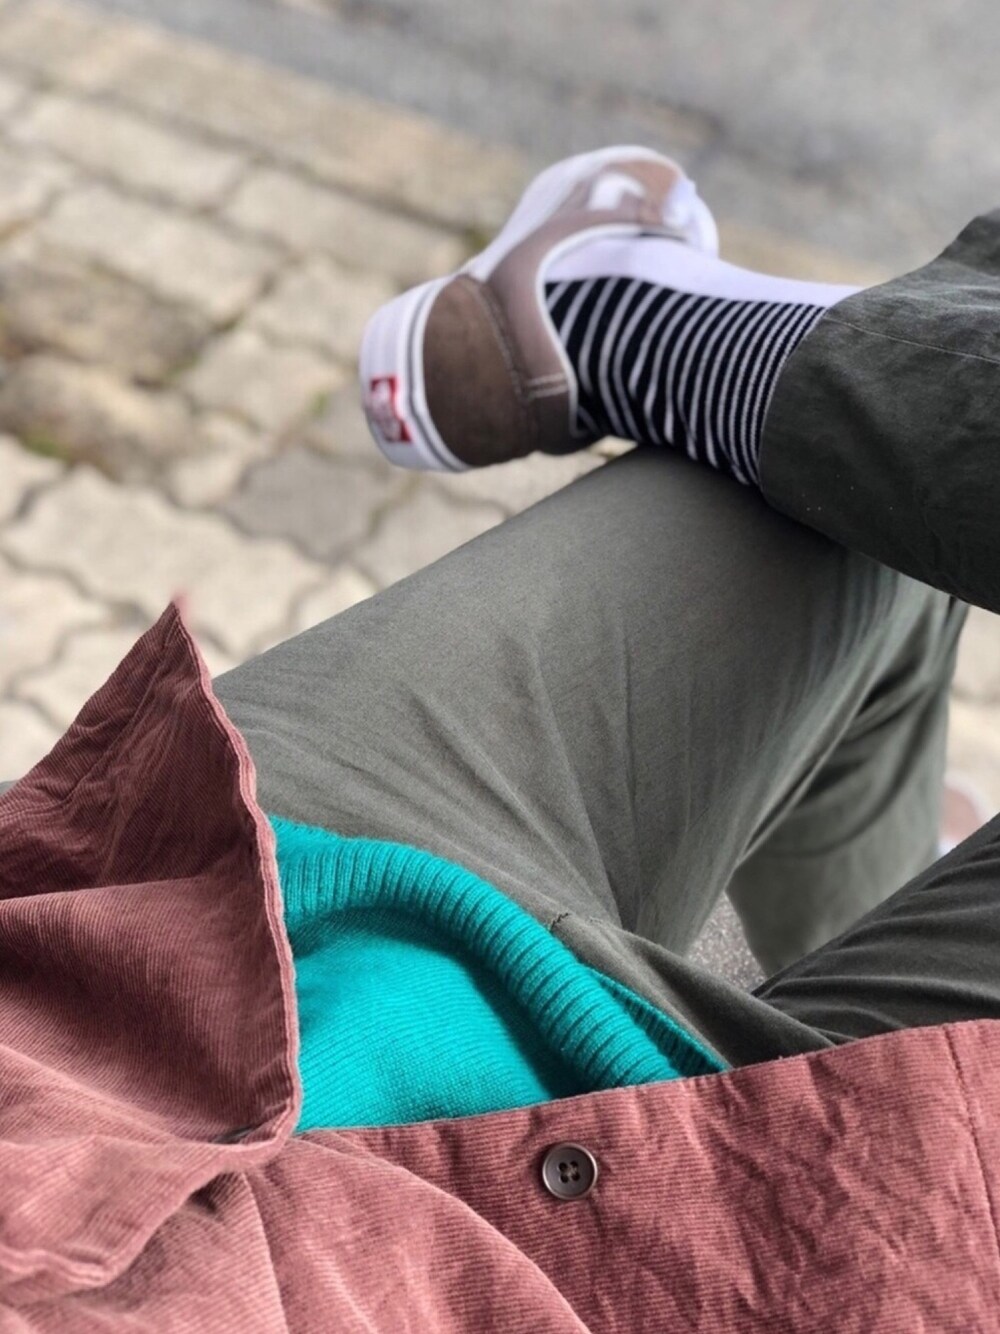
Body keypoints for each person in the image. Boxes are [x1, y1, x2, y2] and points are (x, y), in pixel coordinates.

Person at [2, 146, 999, 1331]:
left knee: (867, 537)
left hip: (190, 976)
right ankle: (629, 330)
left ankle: (632, 333)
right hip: (822, 1242)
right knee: (885, 515)